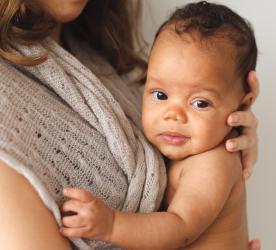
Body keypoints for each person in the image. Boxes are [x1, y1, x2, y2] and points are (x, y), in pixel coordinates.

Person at [0, 0, 259, 249]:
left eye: (200, 103)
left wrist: (112, 225)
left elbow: (180, 228)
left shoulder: (98, 54)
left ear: (242, 104)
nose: (174, 116)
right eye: (160, 95)